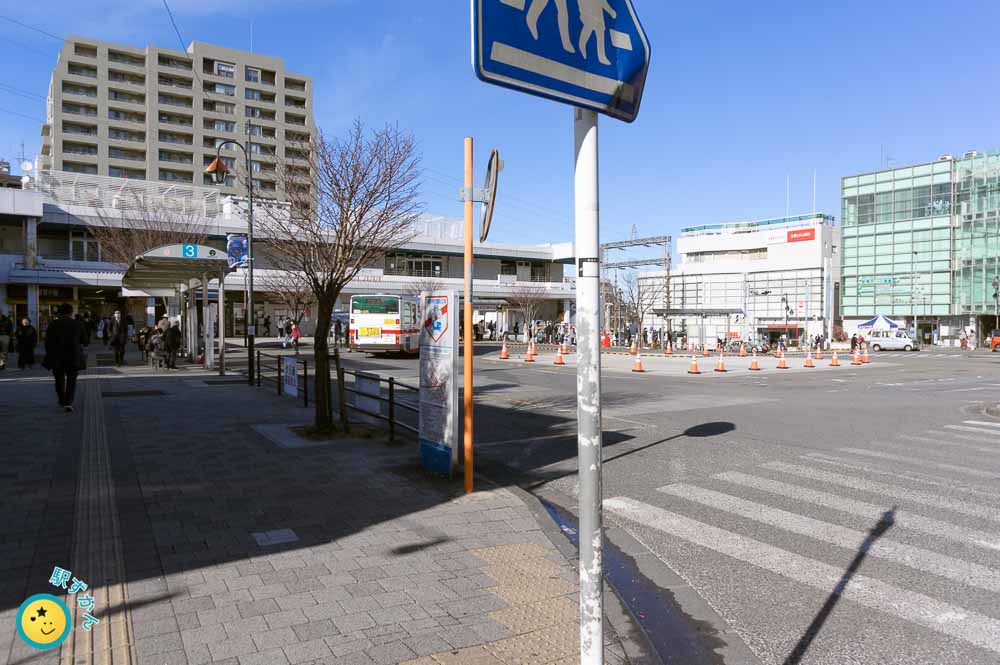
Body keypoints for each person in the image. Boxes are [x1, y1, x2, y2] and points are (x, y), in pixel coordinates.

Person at [44, 304, 88, 412]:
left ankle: (62, 400)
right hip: (73, 356)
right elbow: (85, 341)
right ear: (71, 312)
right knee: (71, 380)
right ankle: (68, 402)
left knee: (59, 379)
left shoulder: (53, 324)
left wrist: (50, 353)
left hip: (57, 356)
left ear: (59, 312)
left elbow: (47, 342)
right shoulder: (78, 324)